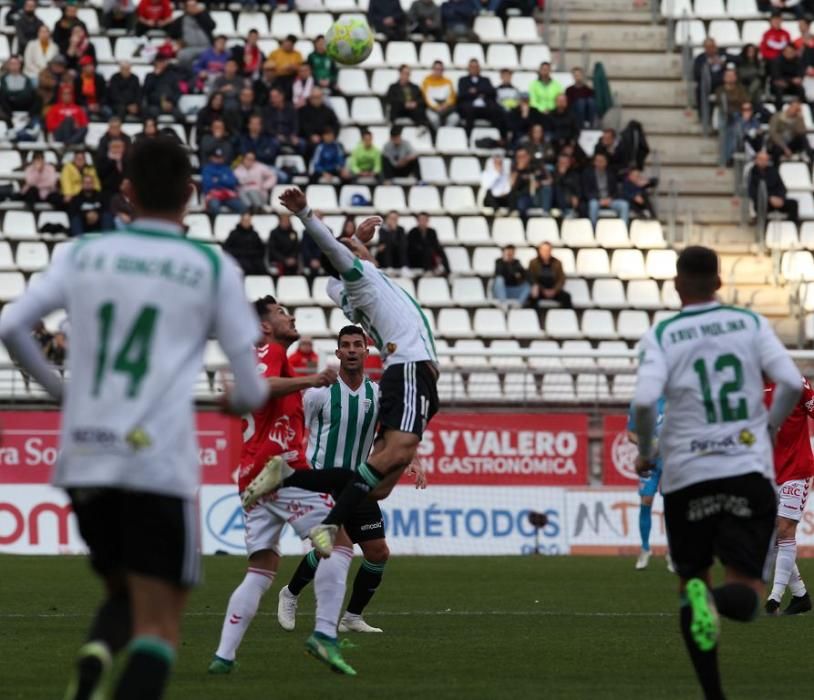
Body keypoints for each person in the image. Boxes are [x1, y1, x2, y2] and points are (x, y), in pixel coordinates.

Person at [0, 136, 268, 700]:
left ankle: (96, 658)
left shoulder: (82, 253)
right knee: (160, 624)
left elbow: (11, 327)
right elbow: (251, 388)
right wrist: (238, 402)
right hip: (154, 460)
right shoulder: (209, 264)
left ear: (125, 191)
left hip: (84, 457)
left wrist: (60, 392)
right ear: (191, 194)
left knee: (123, 593)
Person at [632, 245, 801, 700]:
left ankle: (713, 693)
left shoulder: (662, 334)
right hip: (746, 469)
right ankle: (715, 602)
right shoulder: (749, 324)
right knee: (746, 594)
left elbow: (645, 402)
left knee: (694, 585)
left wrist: (646, 451)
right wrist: (766, 427)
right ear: (720, 284)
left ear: (677, 284)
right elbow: (789, 381)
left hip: (687, 477)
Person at [242, 188, 439, 564]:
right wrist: (306, 214)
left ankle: (287, 478)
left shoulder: (358, 287)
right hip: (412, 366)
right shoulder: (363, 280)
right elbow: (336, 256)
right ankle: (326, 523)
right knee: (396, 452)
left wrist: (358, 241)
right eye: (358, 252)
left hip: (419, 374)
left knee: (379, 485)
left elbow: (335, 275)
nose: (362, 252)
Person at [207, 297, 355, 676]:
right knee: (338, 544)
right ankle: (324, 634)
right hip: (277, 472)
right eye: (280, 313)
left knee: (262, 566)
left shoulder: (279, 360)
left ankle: (223, 657)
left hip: (260, 478)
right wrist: (312, 378)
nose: (289, 316)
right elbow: (259, 387)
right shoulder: (266, 349)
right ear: (264, 326)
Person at [279, 326, 407, 635]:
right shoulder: (319, 393)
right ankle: (291, 593)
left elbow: (392, 434)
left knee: (378, 553)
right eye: (345, 345)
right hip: (324, 485)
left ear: (366, 352)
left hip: (360, 483)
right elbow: (295, 429)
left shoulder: (376, 394)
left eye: (356, 345)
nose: (351, 350)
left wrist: (410, 460)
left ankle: (352, 617)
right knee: (333, 548)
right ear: (338, 353)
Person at [764, 377, 814, 615]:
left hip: (797, 469)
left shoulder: (795, 383)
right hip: (769, 472)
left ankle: (774, 597)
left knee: (785, 529)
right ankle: (801, 595)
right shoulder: (748, 386)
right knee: (773, 534)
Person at [626, 397, 674, 571]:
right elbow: (630, 433)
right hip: (648, 461)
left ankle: (672, 552)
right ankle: (645, 549)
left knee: (670, 505)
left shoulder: (672, 398)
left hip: (669, 460)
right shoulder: (638, 404)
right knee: (646, 500)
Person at [748, 149, 799, 222]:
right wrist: (769, 198)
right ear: (756, 160)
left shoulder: (773, 171)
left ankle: (790, 226)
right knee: (761, 206)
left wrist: (781, 198)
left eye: (765, 160)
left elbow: (782, 187)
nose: (763, 162)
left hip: (778, 199)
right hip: (762, 201)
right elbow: (752, 192)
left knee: (793, 204)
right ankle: (764, 229)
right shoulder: (752, 173)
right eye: (761, 159)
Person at [582, 152, 629, 228]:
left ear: (606, 162)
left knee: (624, 205)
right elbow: (586, 191)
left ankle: (623, 229)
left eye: (602, 161)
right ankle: (593, 230)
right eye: (598, 161)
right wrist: (599, 199)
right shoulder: (588, 174)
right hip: (596, 200)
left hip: (610, 200)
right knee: (593, 204)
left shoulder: (611, 173)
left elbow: (616, 191)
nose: (600, 163)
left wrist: (610, 199)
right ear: (594, 162)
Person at [456, 59, 502, 136]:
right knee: (469, 111)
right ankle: (468, 137)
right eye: (472, 67)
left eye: (476, 67)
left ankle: (497, 136)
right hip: (469, 108)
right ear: (468, 68)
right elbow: (462, 94)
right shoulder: (463, 80)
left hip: (484, 108)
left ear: (479, 68)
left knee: (496, 110)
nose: (474, 69)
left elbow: (492, 92)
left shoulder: (485, 80)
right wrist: (481, 92)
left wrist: (475, 90)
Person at [169, 0, 215, 68]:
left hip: (206, 48)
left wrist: (201, 15)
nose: (194, 8)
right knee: (182, 55)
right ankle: (186, 76)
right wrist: (179, 42)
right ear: (186, 8)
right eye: (191, 6)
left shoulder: (203, 16)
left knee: (215, 55)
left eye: (195, 5)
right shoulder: (180, 20)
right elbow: (172, 33)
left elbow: (212, 26)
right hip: (189, 48)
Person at [202, 148, 247, 215]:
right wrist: (224, 180)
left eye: (220, 157)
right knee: (214, 207)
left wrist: (218, 180)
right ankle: (216, 225)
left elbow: (232, 183)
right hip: (214, 195)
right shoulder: (207, 169)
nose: (218, 159)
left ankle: (232, 224)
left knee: (242, 207)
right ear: (211, 158)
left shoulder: (227, 169)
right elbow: (208, 184)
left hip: (227, 195)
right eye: (216, 157)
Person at [0, 55, 42, 129]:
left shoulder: (26, 78)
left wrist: (14, 95)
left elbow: (28, 93)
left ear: (20, 65)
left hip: (23, 103)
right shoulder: (3, 79)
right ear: (8, 65)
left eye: (16, 63)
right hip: (8, 105)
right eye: (12, 64)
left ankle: (29, 119)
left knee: (38, 97)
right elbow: (4, 92)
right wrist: (16, 94)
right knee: (2, 96)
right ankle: (10, 121)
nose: (14, 66)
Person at [528, 242, 572, 308]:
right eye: (543, 250)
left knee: (566, 297)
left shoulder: (557, 262)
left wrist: (554, 290)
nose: (545, 252)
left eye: (547, 250)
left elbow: (561, 279)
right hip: (540, 289)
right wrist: (542, 290)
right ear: (539, 251)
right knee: (532, 296)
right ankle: (535, 317)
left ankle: (566, 316)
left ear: (551, 251)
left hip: (554, 289)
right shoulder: (533, 263)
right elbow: (532, 278)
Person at [299, 87, 340, 153]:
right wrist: (310, 135)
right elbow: (302, 126)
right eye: (314, 97)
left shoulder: (328, 111)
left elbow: (336, 125)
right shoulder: (303, 111)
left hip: (326, 139)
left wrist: (330, 136)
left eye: (318, 97)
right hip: (309, 140)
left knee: (338, 147)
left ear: (322, 97)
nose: (316, 100)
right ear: (310, 98)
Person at [422, 60, 459, 131]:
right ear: (433, 69)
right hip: (432, 109)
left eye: (440, 69)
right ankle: (438, 134)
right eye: (436, 69)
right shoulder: (427, 81)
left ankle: (445, 134)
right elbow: (427, 98)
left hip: (446, 109)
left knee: (455, 117)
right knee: (434, 118)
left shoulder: (448, 81)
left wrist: (445, 105)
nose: (438, 71)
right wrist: (436, 107)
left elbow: (452, 97)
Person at [74, 56, 108, 122]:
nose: (91, 68)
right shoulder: (78, 80)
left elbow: (104, 95)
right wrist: (88, 105)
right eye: (88, 66)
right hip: (85, 105)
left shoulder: (99, 78)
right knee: (82, 112)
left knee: (107, 112)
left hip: (98, 105)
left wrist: (99, 104)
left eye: (91, 65)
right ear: (83, 68)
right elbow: (77, 97)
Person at [550, 153, 581, 219]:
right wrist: (561, 175)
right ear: (558, 163)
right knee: (558, 189)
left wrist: (576, 196)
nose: (563, 164)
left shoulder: (574, 174)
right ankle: (565, 212)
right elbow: (553, 186)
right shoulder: (552, 174)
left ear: (569, 163)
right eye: (561, 162)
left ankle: (571, 212)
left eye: (565, 162)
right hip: (555, 202)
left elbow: (577, 188)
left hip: (570, 200)